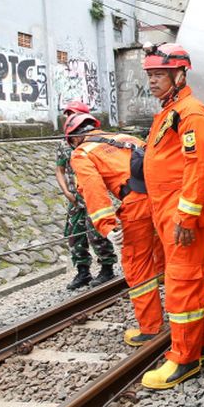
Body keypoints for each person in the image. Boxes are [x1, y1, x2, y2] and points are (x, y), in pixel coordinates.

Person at [139, 43, 204, 390]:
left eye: (159, 74)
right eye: (150, 74)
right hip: (170, 209)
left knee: (181, 284)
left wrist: (185, 219)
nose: (153, 80)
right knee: (193, 283)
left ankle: (183, 359)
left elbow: (199, 166)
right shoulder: (170, 110)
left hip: (183, 214)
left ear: (179, 74)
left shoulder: (191, 113)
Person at [65, 113, 165, 347]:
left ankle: (150, 328)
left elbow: (93, 190)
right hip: (163, 198)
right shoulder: (127, 138)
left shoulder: (82, 153)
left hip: (137, 205)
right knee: (168, 258)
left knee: (138, 265)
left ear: (73, 139)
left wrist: (107, 226)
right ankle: (179, 311)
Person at [55, 101, 118, 290]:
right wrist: (66, 192)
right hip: (75, 198)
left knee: (97, 232)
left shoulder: (96, 140)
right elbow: (59, 169)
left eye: (73, 114)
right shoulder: (65, 144)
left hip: (93, 196)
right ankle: (82, 271)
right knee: (75, 235)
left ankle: (107, 267)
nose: (69, 118)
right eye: (67, 115)